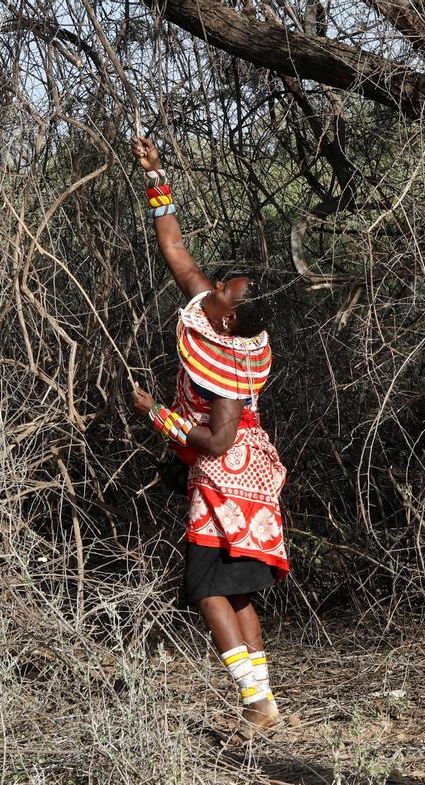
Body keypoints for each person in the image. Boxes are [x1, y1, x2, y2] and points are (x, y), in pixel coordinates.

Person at [129, 136, 289, 737]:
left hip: (227, 480)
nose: (219, 283)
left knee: (204, 588)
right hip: (249, 476)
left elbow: (217, 442)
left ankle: (254, 702)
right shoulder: (221, 324)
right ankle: (264, 701)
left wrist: (155, 414)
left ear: (226, 316)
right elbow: (175, 249)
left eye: (227, 290)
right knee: (237, 591)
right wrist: (156, 177)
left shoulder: (223, 370)